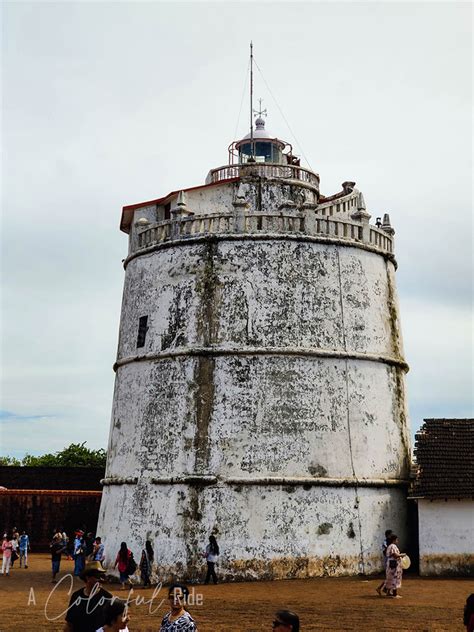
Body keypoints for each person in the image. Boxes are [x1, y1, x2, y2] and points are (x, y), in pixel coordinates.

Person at [64, 561, 113, 632]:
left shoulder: (107, 597)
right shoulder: (76, 596)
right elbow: (69, 623)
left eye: (102, 576)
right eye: (97, 576)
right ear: (87, 578)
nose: (101, 579)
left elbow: (112, 625)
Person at [384, 533, 406, 598]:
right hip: (394, 563)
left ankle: (388, 592)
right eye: (397, 540)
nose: (397, 541)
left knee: (390, 577)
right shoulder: (393, 546)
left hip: (391, 563)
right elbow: (395, 555)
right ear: (394, 540)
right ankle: (395, 594)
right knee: (395, 577)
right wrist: (402, 555)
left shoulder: (390, 546)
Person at [376, 529, 392, 596]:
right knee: (390, 576)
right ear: (388, 535)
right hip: (388, 560)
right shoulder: (385, 543)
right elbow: (386, 551)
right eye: (390, 534)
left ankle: (386, 590)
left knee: (390, 576)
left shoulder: (390, 542)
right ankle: (382, 588)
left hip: (390, 560)